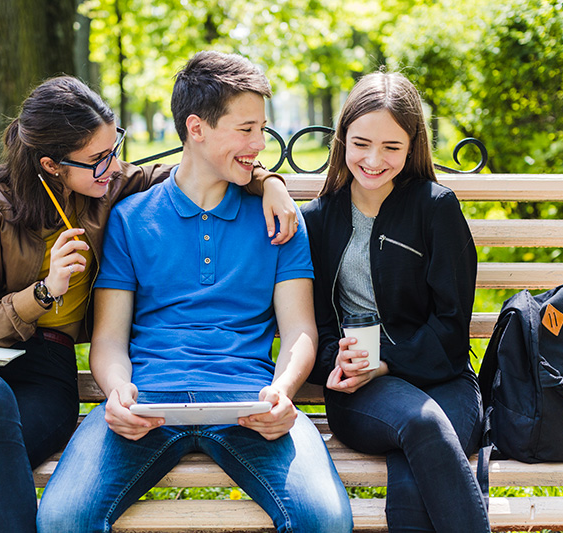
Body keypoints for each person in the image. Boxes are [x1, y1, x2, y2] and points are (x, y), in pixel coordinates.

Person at [0, 75, 297, 533]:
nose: (112, 167)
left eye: (113, 149)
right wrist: (44, 291)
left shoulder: (109, 188)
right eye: (97, 160)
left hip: (46, 369)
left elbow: (201, 168)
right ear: (51, 165)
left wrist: (269, 181)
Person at [36, 51, 353, 533]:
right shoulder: (130, 218)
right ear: (197, 128)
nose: (258, 143)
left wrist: (282, 393)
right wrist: (119, 393)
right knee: (62, 520)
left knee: (326, 521)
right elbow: (109, 340)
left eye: (261, 129)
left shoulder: (281, 221)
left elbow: (300, 332)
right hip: (147, 403)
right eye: (245, 129)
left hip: (250, 402)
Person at [301, 71, 489, 532]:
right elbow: (320, 329)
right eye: (361, 142)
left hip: (445, 383)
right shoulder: (318, 220)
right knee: (422, 426)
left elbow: (451, 327)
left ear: (412, 146)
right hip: (362, 393)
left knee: (412, 467)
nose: (373, 159)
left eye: (391, 147)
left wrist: (386, 360)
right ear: (342, 138)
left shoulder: (435, 208)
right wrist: (339, 363)